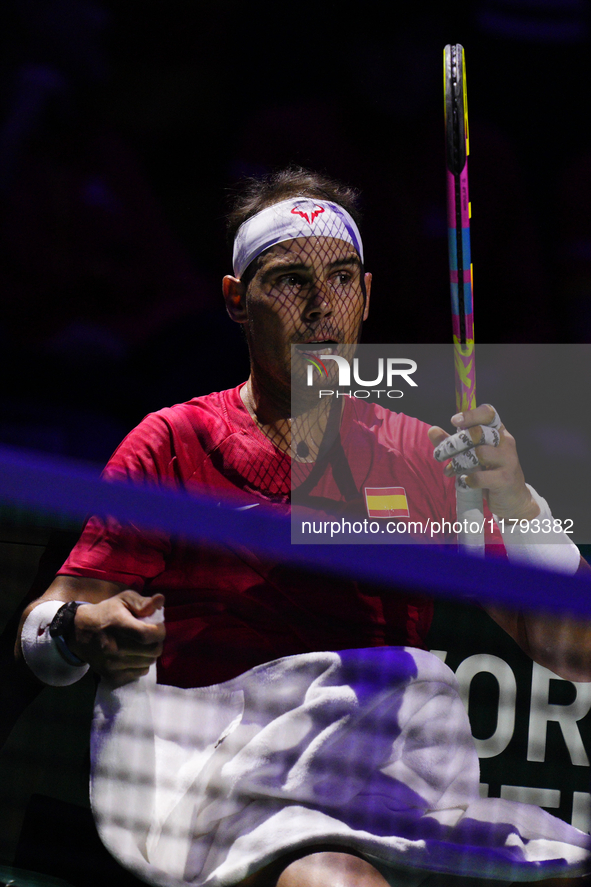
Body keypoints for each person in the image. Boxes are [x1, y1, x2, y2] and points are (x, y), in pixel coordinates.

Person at [14, 169, 591, 887]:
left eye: (342, 277)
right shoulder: (172, 440)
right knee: (333, 879)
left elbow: (575, 651)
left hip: (397, 779)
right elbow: (42, 638)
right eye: (290, 279)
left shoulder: (423, 453)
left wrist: (516, 503)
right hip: (226, 782)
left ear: (368, 294)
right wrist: (83, 626)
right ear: (235, 300)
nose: (322, 305)